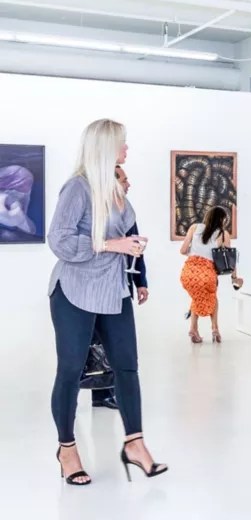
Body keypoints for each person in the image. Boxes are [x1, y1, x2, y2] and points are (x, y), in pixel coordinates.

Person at [48, 118, 166, 486]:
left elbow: (124, 234)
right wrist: (112, 244)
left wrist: (133, 252)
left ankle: (135, 444)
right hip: (75, 290)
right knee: (71, 370)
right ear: (105, 147)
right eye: (122, 143)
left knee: (127, 368)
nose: (126, 149)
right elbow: (59, 240)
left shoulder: (115, 189)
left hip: (113, 290)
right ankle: (67, 450)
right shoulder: (77, 188)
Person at [85, 165, 149, 410]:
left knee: (112, 343)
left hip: (119, 287)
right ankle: (97, 392)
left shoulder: (125, 211)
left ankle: (104, 393)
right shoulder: (92, 210)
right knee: (94, 343)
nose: (128, 184)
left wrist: (141, 282)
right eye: (124, 180)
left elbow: (136, 250)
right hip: (91, 287)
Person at [180, 206, 238, 343]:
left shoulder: (194, 227)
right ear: (222, 220)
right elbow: (230, 259)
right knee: (212, 298)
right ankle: (214, 328)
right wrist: (235, 278)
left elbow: (183, 251)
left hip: (188, 274)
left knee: (197, 296)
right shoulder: (223, 234)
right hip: (207, 274)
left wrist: (195, 254)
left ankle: (193, 329)